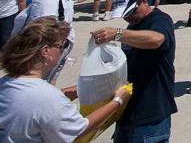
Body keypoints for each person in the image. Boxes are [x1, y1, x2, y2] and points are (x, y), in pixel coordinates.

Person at [0, 17, 131, 142]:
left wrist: (85, 88)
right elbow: (80, 129)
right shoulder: (47, 96)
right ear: (45, 51)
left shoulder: (7, 82)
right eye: (62, 45)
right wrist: (117, 100)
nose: (63, 50)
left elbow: (36, 103)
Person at [91, 0, 177, 142]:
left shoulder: (160, 20)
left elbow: (157, 39)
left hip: (150, 116)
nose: (128, 18)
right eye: (124, 14)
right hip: (128, 114)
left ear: (143, 1)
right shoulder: (133, 25)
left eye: (131, 12)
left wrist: (117, 34)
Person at [11, 0, 74, 83]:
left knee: (32, 80)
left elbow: (44, 22)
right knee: (50, 78)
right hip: (64, 39)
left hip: (46, 43)